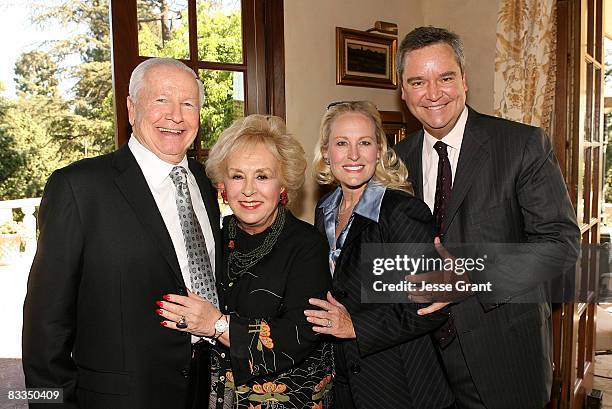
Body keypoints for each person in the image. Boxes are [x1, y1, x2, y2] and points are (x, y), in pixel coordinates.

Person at [393, 26, 581, 409]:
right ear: (403, 91)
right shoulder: (396, 160)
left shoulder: (522, 146)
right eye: (417, 81)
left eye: (445, 77)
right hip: (420, 363)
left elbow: (561, 247)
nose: (432, 93)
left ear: (464, 79)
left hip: (503, 359)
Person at [22, 58, 220, 409]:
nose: (175, 115)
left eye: (188, 104)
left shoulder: (204, 183)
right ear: (132, 108)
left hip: (206, 390)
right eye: (161, 100)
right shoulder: (79, 188)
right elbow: (45, 324)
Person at [156, 114, 334, 409]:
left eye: (262, 176)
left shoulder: (306, 244)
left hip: (289, 399)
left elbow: (299, 334)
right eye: (238, 176)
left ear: (283, 185)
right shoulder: (213, 237)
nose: (249, 190)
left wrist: (216, 325)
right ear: (223, 185)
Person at [304, 101, 454, 409]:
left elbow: (432, 306)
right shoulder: (324, 210)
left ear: (379, 150)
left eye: (365, 143)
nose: (354, 155)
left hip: (402, 387)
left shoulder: (401, 211)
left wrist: (356, 327)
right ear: (326, 150)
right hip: (347, 383)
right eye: (342, 143)